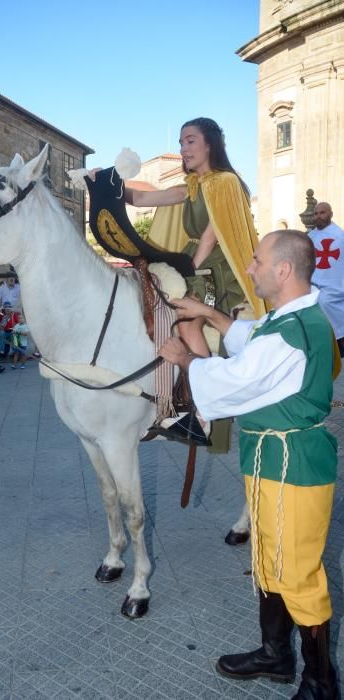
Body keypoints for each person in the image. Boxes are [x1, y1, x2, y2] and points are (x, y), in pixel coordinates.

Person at [160, 230, 339, 700]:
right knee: (268, 560)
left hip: (293, 466)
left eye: (257, 261)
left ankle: (321, 682)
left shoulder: (296, 330)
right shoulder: (288, 320)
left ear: (283, 270)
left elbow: (237, 378)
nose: (251, 267)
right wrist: (209, 314)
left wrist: (184, 360)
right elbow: (252, 340)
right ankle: (275, 654)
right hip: (272, 460)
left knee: (297, 572)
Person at [124, 117, 266, 357]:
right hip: (192, 258)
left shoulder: (227, 182)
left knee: (188, 323)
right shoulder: (191, 186)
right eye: (181, 143)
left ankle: (202, 385)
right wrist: (108, 187)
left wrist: (190, 270)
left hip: (216, 265)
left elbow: (212, 236)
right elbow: (141, 200)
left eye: (190, 141)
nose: (183, 149)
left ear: (210, 144)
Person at [308, 202, 344, 356]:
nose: (318, 217)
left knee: (326, 301)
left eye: (322, 213)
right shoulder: (310, 237)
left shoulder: (340, 236)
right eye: (316, 214)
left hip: (335, 285)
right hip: (313, 283)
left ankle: (340, 344)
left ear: (330, 214)